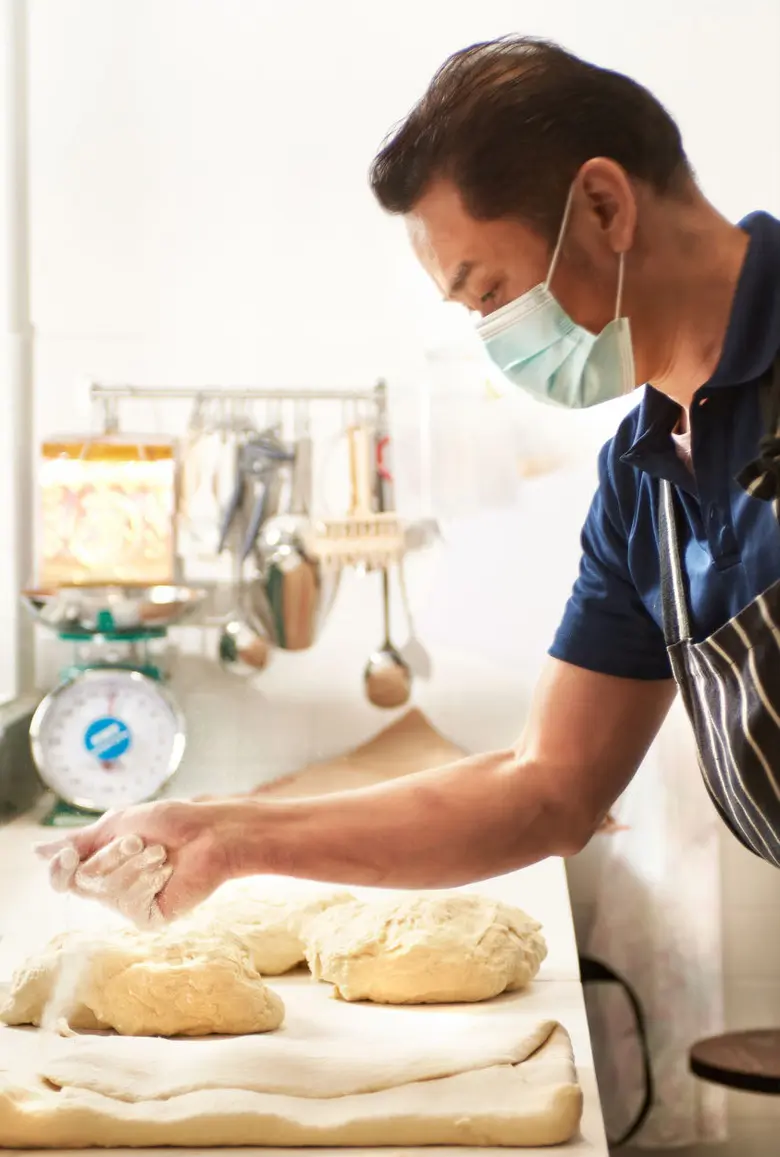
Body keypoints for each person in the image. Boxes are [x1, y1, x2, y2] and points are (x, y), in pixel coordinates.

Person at [38, 36, 780, 919]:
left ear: (602, 205)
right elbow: (545, 788)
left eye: (494, 293)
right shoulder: (642, 479)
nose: (500, 342)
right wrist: (222, 835)